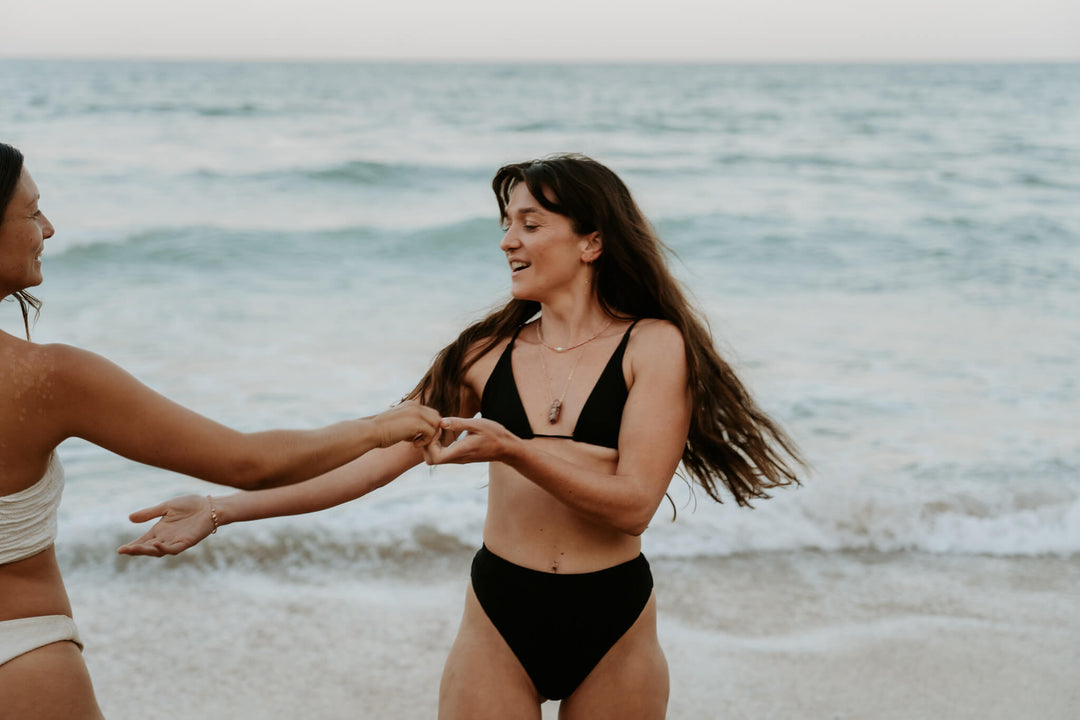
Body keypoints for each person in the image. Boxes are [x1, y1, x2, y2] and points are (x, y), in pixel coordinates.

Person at [121, 154, 803, 719]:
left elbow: (632, 505)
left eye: (530, 223)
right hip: (502, 614)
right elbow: (364, 465)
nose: (508, 240)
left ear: (591, 241)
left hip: (614, 616)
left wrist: (514, 450)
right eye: (506, 224)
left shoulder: (652, 347)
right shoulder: (482, 354)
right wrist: (219, 509)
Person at [0, 142, 442, 720]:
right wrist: (380, 427)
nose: (49, 229)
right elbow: (249, 462)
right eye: (32, 213)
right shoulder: (45, 378)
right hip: (20, 653)